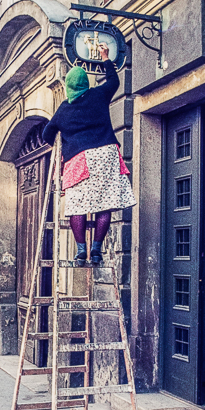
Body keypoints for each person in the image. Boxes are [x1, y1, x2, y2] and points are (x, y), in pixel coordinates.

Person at [42, 44, 136, 264]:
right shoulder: (98, 94)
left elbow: (47, 135)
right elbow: (114, 81)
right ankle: (96, 250)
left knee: (77, 206)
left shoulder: (63, 109)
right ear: (85, 83)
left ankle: (81, 250)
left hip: (78, 159)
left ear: (68, 87)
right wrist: (105, 57)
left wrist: (65, 140)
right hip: (106, 154)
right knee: (104, 204)